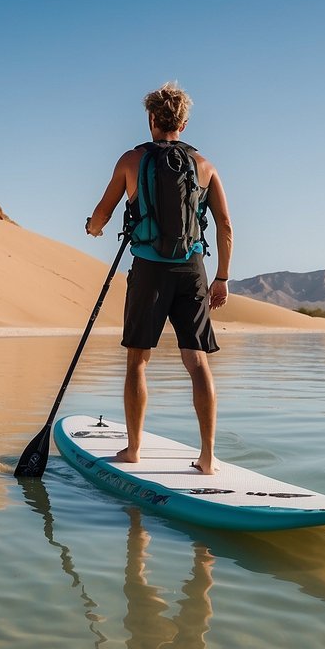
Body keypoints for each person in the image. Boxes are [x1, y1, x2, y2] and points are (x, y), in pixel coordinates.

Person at [85, 83, 233, 475]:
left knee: (138, 361)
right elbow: (226, 227)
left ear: (151, 119)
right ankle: (207, 458)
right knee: (197, 361)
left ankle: (134, 450)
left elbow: (101, 214)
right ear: (183, 122)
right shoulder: (205, 165)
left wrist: (93, 228)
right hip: (192, 271)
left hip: (149, 270)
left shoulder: (131, 161)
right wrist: (222, 277)